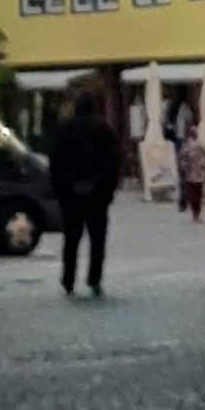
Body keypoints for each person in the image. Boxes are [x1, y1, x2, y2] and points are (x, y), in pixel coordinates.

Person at [46, 83, 124, 297]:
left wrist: (62, 188)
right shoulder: (104, 130)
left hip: (71, 194)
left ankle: (68, 279)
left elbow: (55, 161)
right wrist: (107, 188)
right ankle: (94, 278)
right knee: (97, 240)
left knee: (71, 239)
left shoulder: (64, 129)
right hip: (97, 194)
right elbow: (114, 161)